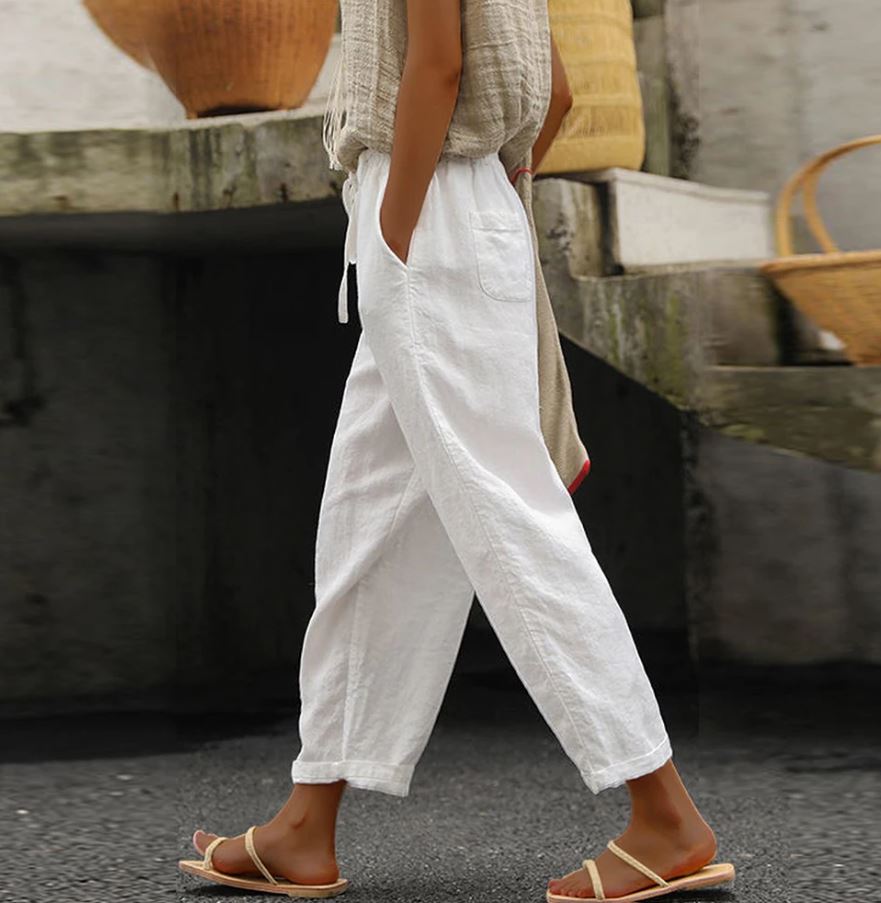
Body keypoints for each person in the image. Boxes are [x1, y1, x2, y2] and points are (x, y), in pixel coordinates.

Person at [178, 2, 736, 900]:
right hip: (461, 209)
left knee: (512, 523)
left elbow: (436, 66)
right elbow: (552, 90)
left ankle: (664, 812)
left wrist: (397, 228)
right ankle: (304, 823)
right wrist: (476, 203)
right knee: (367, 525)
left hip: (423, 219)